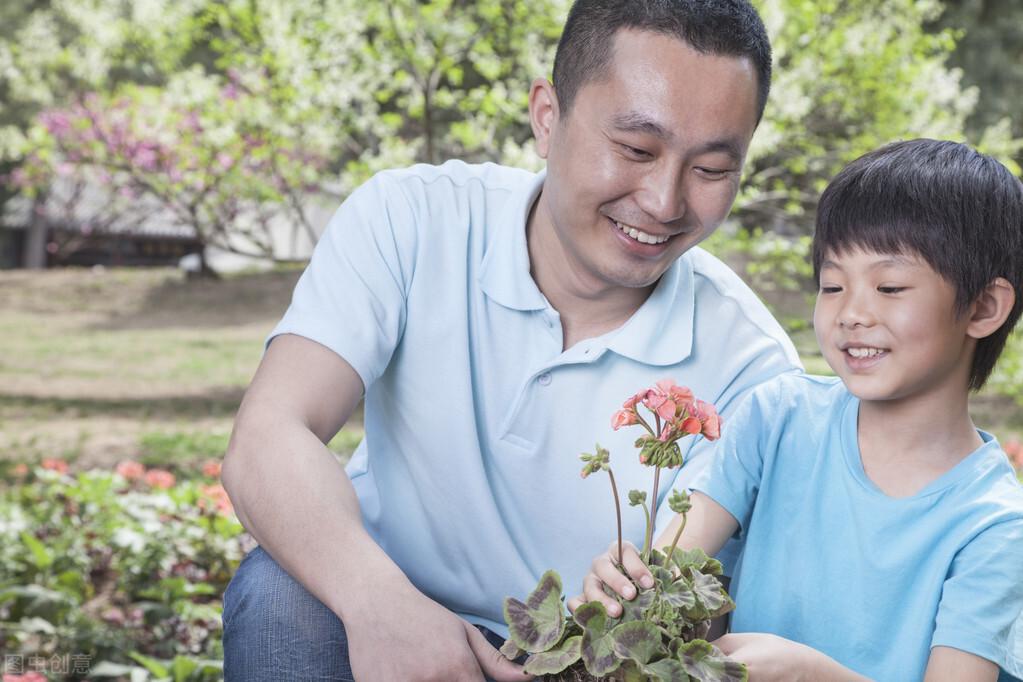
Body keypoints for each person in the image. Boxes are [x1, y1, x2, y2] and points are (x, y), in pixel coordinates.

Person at [220, 1, 803, 680]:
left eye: (709, 170)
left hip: (581, 666)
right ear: (546, 118)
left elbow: (722, 618)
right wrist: (379, 606)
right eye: (636, 149)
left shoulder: (753, 371)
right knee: (277, 597)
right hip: (378, 617)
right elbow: (268, 436)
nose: (664, 201)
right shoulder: (413, 219)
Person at [574, 139, 1023, 682]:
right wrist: (629, 587)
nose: (851, 313)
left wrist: (812, 675)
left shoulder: (994, 526)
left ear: (983, 307)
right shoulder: (778, 416)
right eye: (832, 284)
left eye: (890, 286)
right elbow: (673, 574)